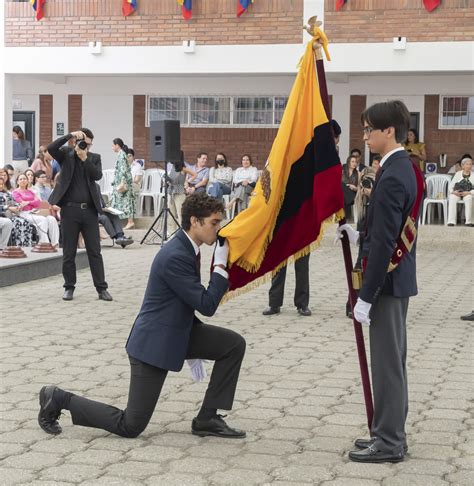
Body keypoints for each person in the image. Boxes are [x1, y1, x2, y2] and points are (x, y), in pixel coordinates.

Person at [38, 193, 247, 441]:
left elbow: (182, 301)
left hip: (176, 332)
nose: (219, 228)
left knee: (232, 345)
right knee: (131, 425)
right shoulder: (176, 255)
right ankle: (59, 398)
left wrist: (196, 347)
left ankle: (207, 419)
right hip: (153, 344)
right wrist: (221, 268)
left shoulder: (187, 247)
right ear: (195, 221)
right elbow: (206, 304)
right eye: (214, 222)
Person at [336, 100, 420, 463]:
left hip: (386, 283)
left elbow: (387, 242)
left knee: (386, 365)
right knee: (392, 362)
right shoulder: (406, 167)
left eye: (370, 129)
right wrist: (358, 235)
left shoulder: (392, 173)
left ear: (390, 131)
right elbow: (390, 228)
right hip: (398, 280)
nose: (365, 136)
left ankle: (389, 441)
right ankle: (389, 431)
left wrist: (365, 297)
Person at [47, 129, 112, 302]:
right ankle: (69, 287)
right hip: (69, 210)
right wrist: (69, 136)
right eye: (82, 142)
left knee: (95, 252)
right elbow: (51, 148)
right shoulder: (66, 154)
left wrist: (84, 158)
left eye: (88, 143)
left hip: (90, 211)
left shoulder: (94, 157)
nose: (85, 145)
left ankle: (101, 288)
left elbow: (97, 175)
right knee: (69, 252)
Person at [12, 173, 59, 247]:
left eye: (24, 179)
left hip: (35, 211)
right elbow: (21, 202)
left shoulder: (30, 191)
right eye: (20, 179)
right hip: (24, 213)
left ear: (27, 181)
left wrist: (28, 202)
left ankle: (55, 243)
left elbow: (37, 202)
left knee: (52, 219)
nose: (23, 180)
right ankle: (44, 243)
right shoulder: (15, 192)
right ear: (17, 182)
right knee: (42, 220)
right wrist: (30, 203)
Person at [110, 138, 135, 230]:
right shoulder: (121, 154)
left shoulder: (121, 155)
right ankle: (115, 222)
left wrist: (122, 182)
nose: (112, 147)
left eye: (113, 145)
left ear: (117, 145)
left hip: (123, 183)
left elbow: (123, 169)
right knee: (117, 202)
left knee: (126, 201)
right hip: (121, 182)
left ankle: (130, 221)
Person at [447, 157, 473, 226]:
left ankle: (469, 221)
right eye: (467, 164)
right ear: (462, 166)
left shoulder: (473, 175)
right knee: (452, 197)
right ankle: (451, 221)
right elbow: (451, 186)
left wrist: (469, 192)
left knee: (469, 198)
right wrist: (453, 192)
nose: (469, 166)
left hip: (468, 193)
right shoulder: (458, 174)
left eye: (470, 164)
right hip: (457, 193)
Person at [342, 155, 359, 220]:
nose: (354, 163)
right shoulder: (342, 171)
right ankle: (347, 217)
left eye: (356, 162)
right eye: (352, 161)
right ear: (348, 162)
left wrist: (354, 187)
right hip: (343, 194)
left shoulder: (358, 173)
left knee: (344, 196)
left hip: (353, 194)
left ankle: (344, 218)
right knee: (342, 185)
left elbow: (359, 188)